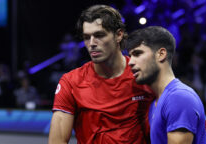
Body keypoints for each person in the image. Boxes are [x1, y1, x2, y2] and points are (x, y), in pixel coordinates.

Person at [48, 5, 154, 144]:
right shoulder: (71, 82)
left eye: (99, 35)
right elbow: (57, 141)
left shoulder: (145, 76)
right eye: (87, 37)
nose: (92, 43)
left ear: (119, 35)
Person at [127, 26, 206, 144]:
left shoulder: (179, 98)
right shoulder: (156, 103)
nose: (130, 62)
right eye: (130, 56)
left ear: (161, 54)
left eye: (137, 53)